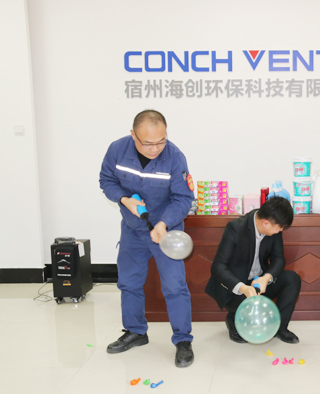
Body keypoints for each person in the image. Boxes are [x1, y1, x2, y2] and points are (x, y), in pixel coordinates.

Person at [99, 110, 195, 367]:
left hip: (166, 231)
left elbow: (183, 198)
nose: (155, 149)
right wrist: (124, 199)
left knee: (175, 286)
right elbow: (106, 180)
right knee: (129, 282)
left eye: (161, 141)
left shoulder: (174, 157)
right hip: (133, 229)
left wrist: (163, 224)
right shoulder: (117, 150)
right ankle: (135, 332)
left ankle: (183, 341)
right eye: (148, 143)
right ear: (133, 135)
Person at [205, 197, 301, 344]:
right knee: (243, 299)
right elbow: (218, 267)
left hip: (258, 283)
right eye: (280, 227)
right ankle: (233, 317)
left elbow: (279, 259)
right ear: (266, 223)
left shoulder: (274, 227)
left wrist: (266, 278)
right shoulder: (235, 228)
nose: (281, 230)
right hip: (235, 288)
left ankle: (280, 328)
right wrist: (243, 288)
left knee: (292, 279)